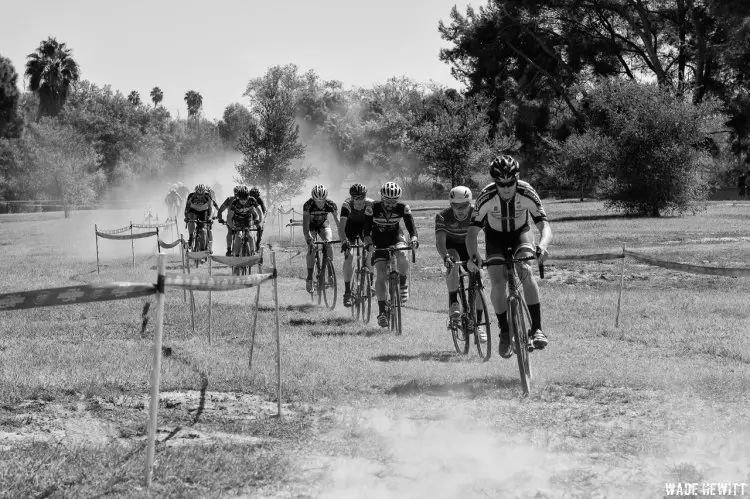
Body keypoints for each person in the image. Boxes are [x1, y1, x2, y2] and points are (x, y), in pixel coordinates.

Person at [466, 154, 552, 357]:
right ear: (494, 181)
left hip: (520, 233)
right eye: (500, 184)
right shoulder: (486, 196)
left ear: (517, 178)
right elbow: (472, 232)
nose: (506, 188)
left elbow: (544, 225)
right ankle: (505, 330)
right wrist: (474, 254)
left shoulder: (527, 191)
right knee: (497, 282)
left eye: (510, 183)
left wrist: (542, 245)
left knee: (525, 269)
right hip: (494, 237)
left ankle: (537, 328)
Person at [363, 182, 419, 328]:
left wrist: (414, 239)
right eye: (387, 201)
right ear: (382, 197)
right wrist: (369, 244)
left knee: (402, 253)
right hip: (378, 240)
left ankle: (403, 282)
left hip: (396, 236)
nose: (390, 204)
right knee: (381, 273)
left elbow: (411, 229)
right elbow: (366, 231)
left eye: (394, 201)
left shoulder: (403, 208)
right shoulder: (372, 208)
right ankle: (382, 312)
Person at [435, 186, 486, 342]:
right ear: (451, 205)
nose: (460, 210)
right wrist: (445, 257)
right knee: (454, 261)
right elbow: (440, 242)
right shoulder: (443, 216)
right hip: (451, 246)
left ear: (470, 204)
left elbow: (489, 235)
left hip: (469, 246)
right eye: (456, 206)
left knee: (479, 278)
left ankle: (478, 324)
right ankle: (454, 302)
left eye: (464, 206)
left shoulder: (476, 214)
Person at [338, 183, 373, 307]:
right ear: (352, 198)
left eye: (361, 197)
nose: (358, 201)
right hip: (350, 227)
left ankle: (370, 282)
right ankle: (347, 292)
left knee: (372, 250)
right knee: (350, 256)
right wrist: (344, 241)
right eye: (355, 198)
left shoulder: (371, 204)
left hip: (365, 227)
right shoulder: (346, 205)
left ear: (365, 196)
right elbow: (341, 228)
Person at [302, 184, 340, 294]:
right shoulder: (308, 205)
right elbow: (305, 227)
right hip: (311, 225)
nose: (320, 203)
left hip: (323, 224)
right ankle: (309, 277)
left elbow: (338, 223)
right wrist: (309, 239)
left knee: (329, 242)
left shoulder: (331, 204)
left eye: (322, 201)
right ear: (313, 199)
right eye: (317, 201)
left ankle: (330, 273)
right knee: (311, 248)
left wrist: (343, 236)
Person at [226, 186, 263, 255]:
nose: (243, 201)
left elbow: (259, 212)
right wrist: (232, 226)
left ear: (248, 197)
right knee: (238, 236)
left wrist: (260, 221)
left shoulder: (252, 200)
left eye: (245, 199)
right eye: (241, 199)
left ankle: (252, 251)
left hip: (248, 218)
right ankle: (236, 255)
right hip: (238, 219)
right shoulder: (234, 202)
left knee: (249, 235)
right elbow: (229, 216)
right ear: (238, 197)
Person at [184, 184, 214, 252]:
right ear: (195, 192)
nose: (200, 196)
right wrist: (186, 217)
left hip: (203, 211)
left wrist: (210, 218)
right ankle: (191, 237)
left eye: (201, 194)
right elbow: (186, 208)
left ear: (204, 193)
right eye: (198, 194)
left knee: (203, 228)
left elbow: (211, 209)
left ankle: (203, 247)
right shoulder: (191, 196)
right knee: (191, 221)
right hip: (193, 210)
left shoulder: (207, 196)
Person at [217, 185, 241, 256]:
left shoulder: (245, 200)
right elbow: (221, 209)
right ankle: (229, 249)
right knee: (230, 231)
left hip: (241, 218)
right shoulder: (229, 199)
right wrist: (220, 218)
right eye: (236, 194)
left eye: (238, 194)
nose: (237, 196)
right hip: (231, 218)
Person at [249, 186, 266, 251]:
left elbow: (263, 210)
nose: (253, 197)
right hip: (250, 215)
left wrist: (262, 220)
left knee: (260, 229)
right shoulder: (248, 199)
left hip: (258, 215)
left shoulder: (259, 200)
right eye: (251, 195)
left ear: (257, 195)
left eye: (255, 196)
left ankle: (258, 242)